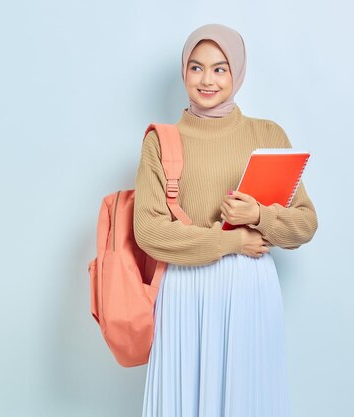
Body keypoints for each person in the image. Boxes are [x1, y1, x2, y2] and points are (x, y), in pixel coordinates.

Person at [133, 23, 318, 417]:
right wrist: (232, 241)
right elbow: (148, 232)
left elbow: (305, 224)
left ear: (237, 71)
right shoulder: (161, 140)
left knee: (245, 400)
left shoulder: (266, 133)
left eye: (220, 68)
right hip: (184, 289)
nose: (207, 79)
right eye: (196, 67)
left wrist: (260, 215)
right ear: (183, 71)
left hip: (249, 291)